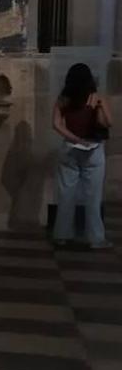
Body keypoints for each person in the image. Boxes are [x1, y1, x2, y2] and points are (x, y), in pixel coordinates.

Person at [52, 62, 112, 248]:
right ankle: (96, 239)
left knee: (66, 195)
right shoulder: (96, 98)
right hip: (93, 150)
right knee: (93, 197)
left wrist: (75, 139)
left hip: (70, 149)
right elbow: (107, 123)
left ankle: (62, 235)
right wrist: (100, 106)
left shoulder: (63, 99)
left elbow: (56, 124)